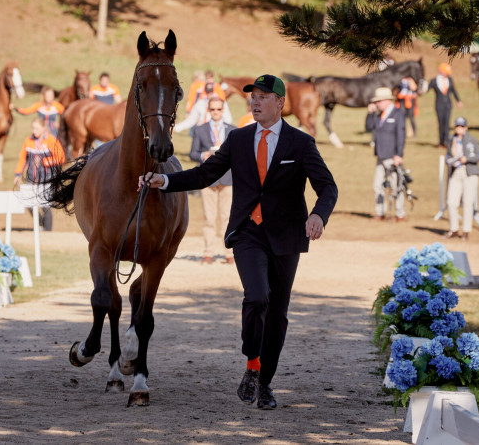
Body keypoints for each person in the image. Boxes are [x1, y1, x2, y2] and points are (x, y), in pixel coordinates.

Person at [138, 75, 337, 410]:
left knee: (278, 314)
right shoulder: (238, 139)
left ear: (280, 103)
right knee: (257, 297)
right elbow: (204, 174)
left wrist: (318, 215)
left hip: (287, 237)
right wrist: (165, 180)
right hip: (248, 233)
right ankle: (252, 364)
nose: (254, 102)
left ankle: (266, 383)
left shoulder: (301, 144)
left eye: (262, 97)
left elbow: (328, 187)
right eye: (252, 97)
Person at [189, 97, 237, 264]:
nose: (216, 112)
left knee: (227, 217)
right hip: (208, 180)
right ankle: (208, 252)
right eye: (213, 109)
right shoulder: (200, 130)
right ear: (208, 111)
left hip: (228, 179)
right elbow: (193, 153)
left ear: (223, 110)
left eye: (218, 109)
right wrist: (204, 155)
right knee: (209, 218)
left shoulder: (233, 130)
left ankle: (228, 253)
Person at [13, 117, 66, 231]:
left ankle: (47, 232)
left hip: (47, 178)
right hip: (31, 177)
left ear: (43, 128)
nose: (34, 131)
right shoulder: (28, 141)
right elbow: (22, 158)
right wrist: (18, 175)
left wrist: (46, 162)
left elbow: (61, 158)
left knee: (45, 205)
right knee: (27, 202)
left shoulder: (51, 140)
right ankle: (40, 224)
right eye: (32, 128)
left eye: (36, 128)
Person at [365, 87, 406, 221]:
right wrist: (370, 113)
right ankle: (380, 212)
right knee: (377, 185)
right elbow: (368, 127)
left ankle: (399, 213)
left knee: (396, 186)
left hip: (393, 156)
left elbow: (401, 135)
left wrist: (399, 154)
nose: (377, 104)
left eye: (379, 101)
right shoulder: (378, 116)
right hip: (380, 155)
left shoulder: (398, 114)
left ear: (387, 100)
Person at [444, 117, 479, 240]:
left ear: (465, 127)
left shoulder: (471, 140)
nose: (459, 129)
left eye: (461, 126)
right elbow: (448, 155)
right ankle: (453, 228)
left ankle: (466, 230)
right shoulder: (451, 140)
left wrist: (468, 159)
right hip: (456, 172)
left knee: (467, 202)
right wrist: (450, 161)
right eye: (457, 126)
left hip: (469, 172)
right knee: (451, 202)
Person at [431, 63, 463, 148]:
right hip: (439, 105)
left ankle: (447, 141)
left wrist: (458, 101)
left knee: (447, 123)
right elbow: (426, 89)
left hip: (448, 105)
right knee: (441, 123)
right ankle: (441, 142)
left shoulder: (450, 80)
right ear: (441, 71)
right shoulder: (434, 80)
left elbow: (454, 91)